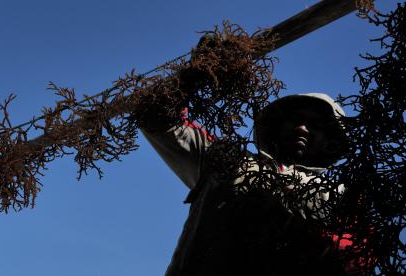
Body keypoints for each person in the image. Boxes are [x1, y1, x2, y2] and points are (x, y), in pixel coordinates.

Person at [141, 93, 352, 275]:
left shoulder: (335, 195)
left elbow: (351, 256)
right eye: (295, 119)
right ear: (277, 124)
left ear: (329, 140)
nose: (303, 128)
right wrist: (196, 73)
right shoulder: (227, 158)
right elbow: (156, 118)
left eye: (316, 125)